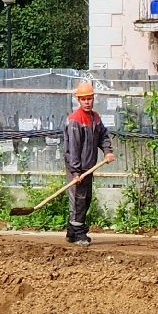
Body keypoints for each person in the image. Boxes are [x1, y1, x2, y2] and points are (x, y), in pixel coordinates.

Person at [61, 80, 115, 247]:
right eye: (83, 99)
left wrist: (107, 151)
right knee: (78, 200)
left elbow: (103, 136)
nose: (87, 102)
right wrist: (75, 172)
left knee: (86, 199)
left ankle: (72, 231)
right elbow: (72, 149)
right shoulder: (75, 120)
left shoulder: (95, 118)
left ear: (93, 99)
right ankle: (78, 234)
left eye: (89, 98)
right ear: (79, 100)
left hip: (89, 167)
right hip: (76, 169)